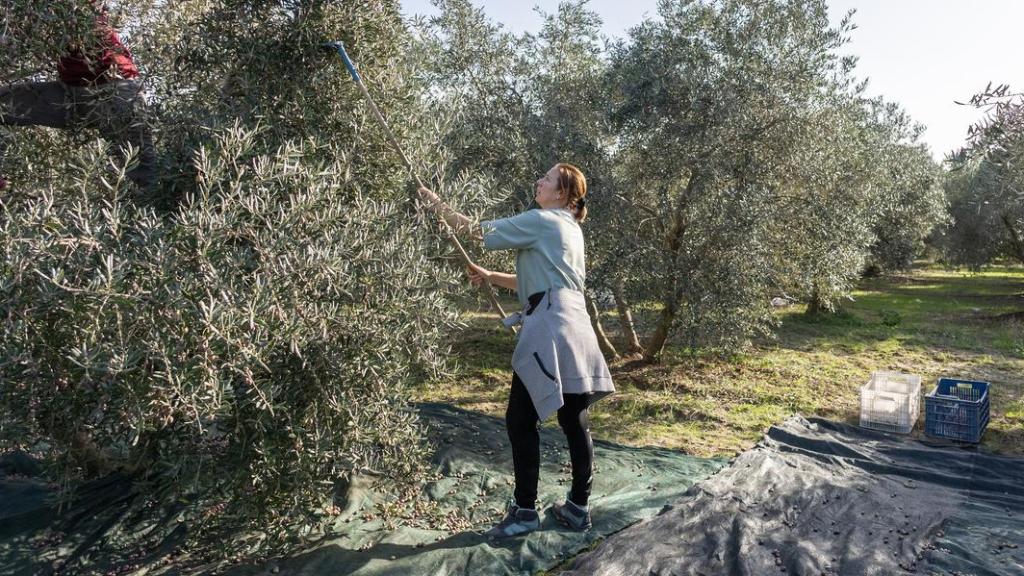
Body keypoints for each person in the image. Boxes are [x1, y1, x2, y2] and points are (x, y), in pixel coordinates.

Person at [418, 163, 616, 540]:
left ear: (561, 194)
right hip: (575, 324)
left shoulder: (543, 220)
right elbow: (540, 281)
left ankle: (525, 511)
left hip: (549, 328)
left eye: (546, 178)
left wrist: (436, 203)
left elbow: (475, 231)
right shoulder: (570, 229)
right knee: (575, 420)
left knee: (520, 420)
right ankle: (578, 506)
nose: (538, 181)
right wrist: (491, 276)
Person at [0, 1, 156, 191]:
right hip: (69, 93)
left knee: (144, 176)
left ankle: (156, 212)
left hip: (115, 91)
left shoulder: (79, 8)